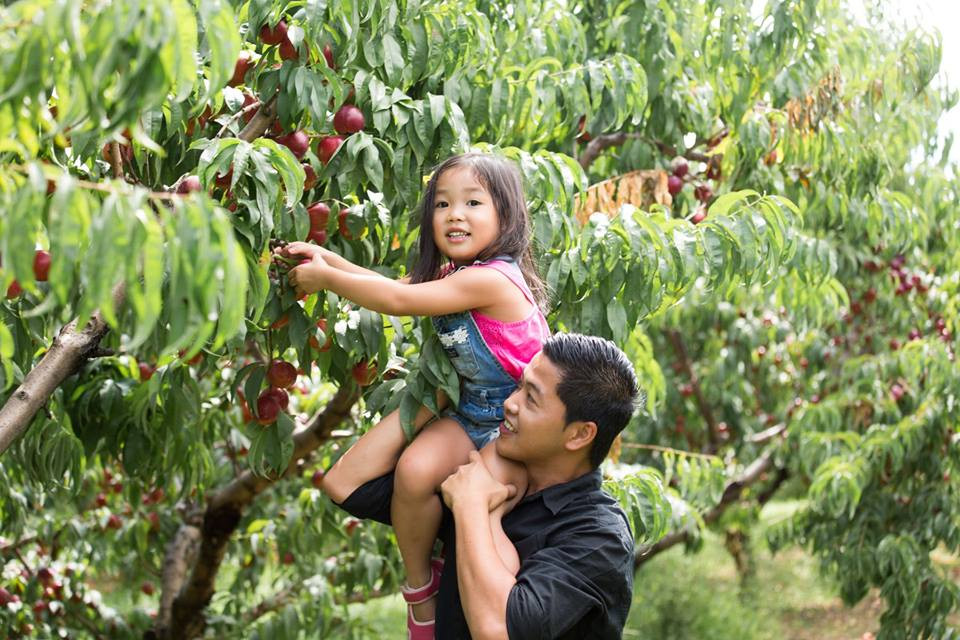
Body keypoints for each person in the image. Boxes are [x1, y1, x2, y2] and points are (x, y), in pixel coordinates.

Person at [277, 152, 550, 637]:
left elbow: (399, 302)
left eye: (472, 203)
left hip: (513, 431)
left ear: (506, 216)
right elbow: (392, 285)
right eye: (442, 204)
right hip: (470, 413)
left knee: (482, 512)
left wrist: (327, 280)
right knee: (414, 471)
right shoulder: (455, 276)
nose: (454, 215)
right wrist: (329, 261)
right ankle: (421, 586)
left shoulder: (491, 279)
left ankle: (498, 612)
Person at [333, 332, 639, 639]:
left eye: (531, 399)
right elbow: (347, 482)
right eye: (518, 386)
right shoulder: (489, 470)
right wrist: (440, 392)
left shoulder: (599, 537)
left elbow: (498, 631)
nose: (509, 403)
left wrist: (472, 504)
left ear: (579, 435)